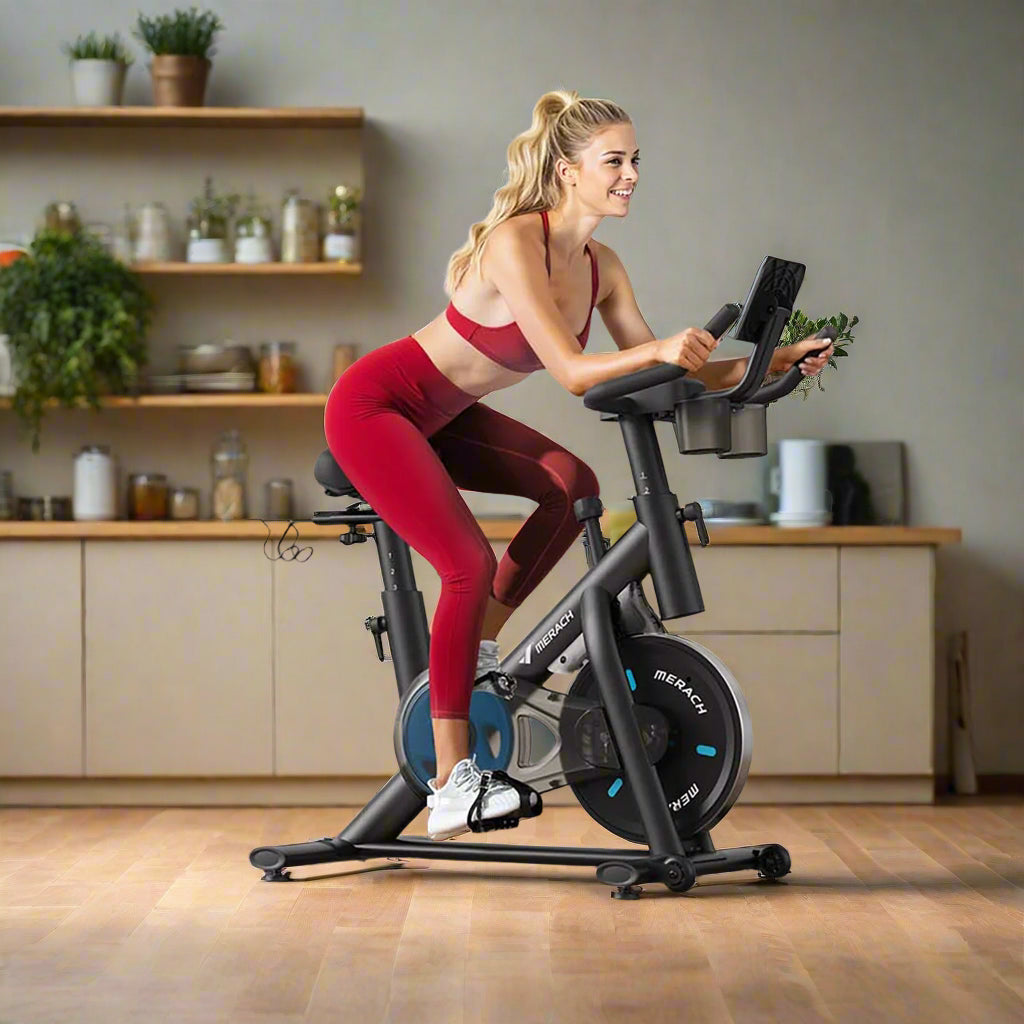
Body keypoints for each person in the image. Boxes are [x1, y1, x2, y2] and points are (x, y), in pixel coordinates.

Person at [324, 89, 833, 840]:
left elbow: (671, 377)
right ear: (567, 171)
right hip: (376, 408)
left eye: (635, 161)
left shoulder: (605, 265)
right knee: (466, 561)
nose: (630, 174)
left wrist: (771, 361)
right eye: (614, 161)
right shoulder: (512, 243)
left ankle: (471, 655)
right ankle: (451, 782)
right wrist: (657, 348)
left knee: (573, 486)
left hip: (444, 416)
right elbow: (570, 369)